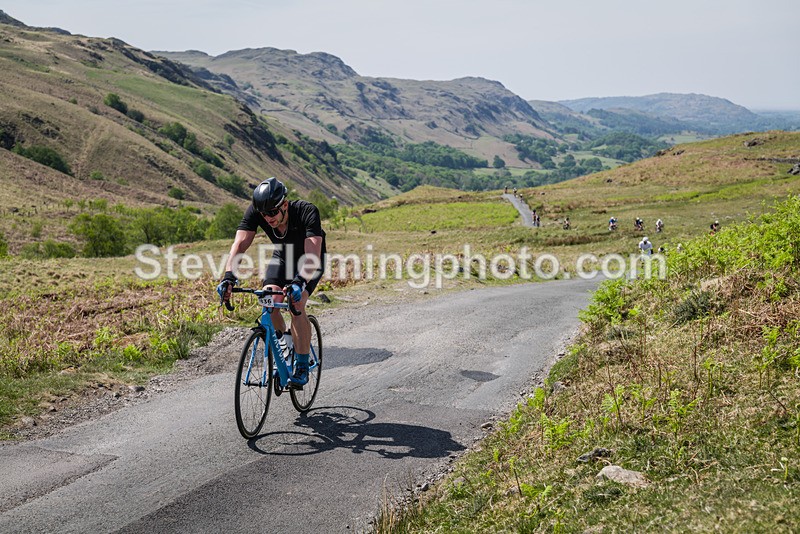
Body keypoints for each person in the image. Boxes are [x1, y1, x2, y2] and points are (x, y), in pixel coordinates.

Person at [217, 177, 326, 388]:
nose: (268, 218)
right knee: (269, 298)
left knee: (296, 304)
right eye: (263, 214)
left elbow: (312, 255)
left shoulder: (306, 211)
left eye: (272, 213)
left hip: (310, 260)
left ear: (284, 205)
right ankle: (284, 345)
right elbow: (239, 244)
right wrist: (229, 276)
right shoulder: (257, 211)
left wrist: (300, 282)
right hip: (283, 257)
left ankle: (302, 364)